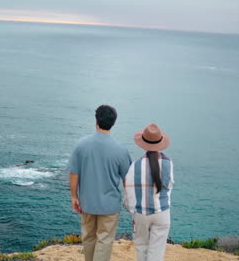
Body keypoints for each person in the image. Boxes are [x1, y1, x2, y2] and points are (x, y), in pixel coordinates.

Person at [68, 105, 131, 261]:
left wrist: (74, 196)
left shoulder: (80, 145)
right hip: (110, 205)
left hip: (86, 202)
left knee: (88, 237)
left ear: (96, 120)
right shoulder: (121, 150)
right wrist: (129, 199)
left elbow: (74, 173)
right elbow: (127, 179)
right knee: (105, 240)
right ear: (113, 123)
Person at [124, 123, 174, 261]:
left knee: (141, 248)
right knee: (156, 253)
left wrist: (132, 210)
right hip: (162, 213)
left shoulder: (135, 165)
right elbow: (169, 187)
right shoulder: (168, 163)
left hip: (141, 214)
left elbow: (129, 192)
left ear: (143, 143)